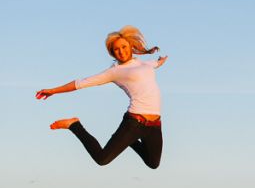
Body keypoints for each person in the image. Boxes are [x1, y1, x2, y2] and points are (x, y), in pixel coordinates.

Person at [36, 26, 168, 169]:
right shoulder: (114, 72)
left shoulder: (145, 64)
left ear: (130, 46)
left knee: (153, 163)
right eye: (117, 49)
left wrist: (161, 61)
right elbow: (80, 83)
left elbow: (156, 64)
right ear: (113, 53)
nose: (121, 51)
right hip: (134, 123)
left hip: (154, 124)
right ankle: (74, 125)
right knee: (102, 159)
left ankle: (130, 141)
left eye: (124, 47)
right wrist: (53, 91)